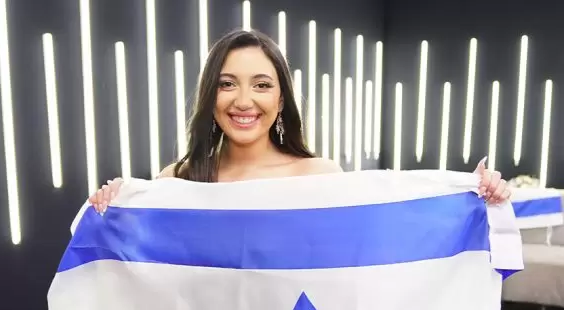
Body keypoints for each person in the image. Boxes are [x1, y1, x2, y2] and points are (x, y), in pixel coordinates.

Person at [89, 29, 510, 213]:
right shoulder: (177, 181)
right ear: (209, 97)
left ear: (280, 100)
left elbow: (373, 243)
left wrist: (469, 197)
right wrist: (114, 210)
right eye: (226, 84)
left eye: (261, 85)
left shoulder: (319, 176)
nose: (243, 100)